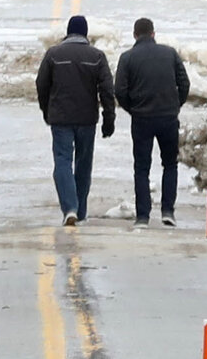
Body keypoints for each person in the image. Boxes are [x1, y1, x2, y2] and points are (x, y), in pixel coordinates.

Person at [36, 13, 114, 226]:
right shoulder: (97, 56)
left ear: (68, 32)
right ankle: (80, 210)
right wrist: (109, 118)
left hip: (60, 118)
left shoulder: (53, 54)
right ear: (85, 33)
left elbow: (41, 84)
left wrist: (46, 110)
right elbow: (107, 90)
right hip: (87, 119)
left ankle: (69, 208)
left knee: (62, 161)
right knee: (83, 164)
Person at [113, 17, 190, 227]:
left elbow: (119, 90)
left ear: (135, 35)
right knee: (170, 164)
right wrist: (175, 105)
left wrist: (133, 108)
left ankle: (143, 216)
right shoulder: (170, 53)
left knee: (141, 168)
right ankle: (167, 211)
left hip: (142, 119)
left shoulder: (127, 58)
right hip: (168, 117)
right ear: (153, 34)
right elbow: (184, 83)